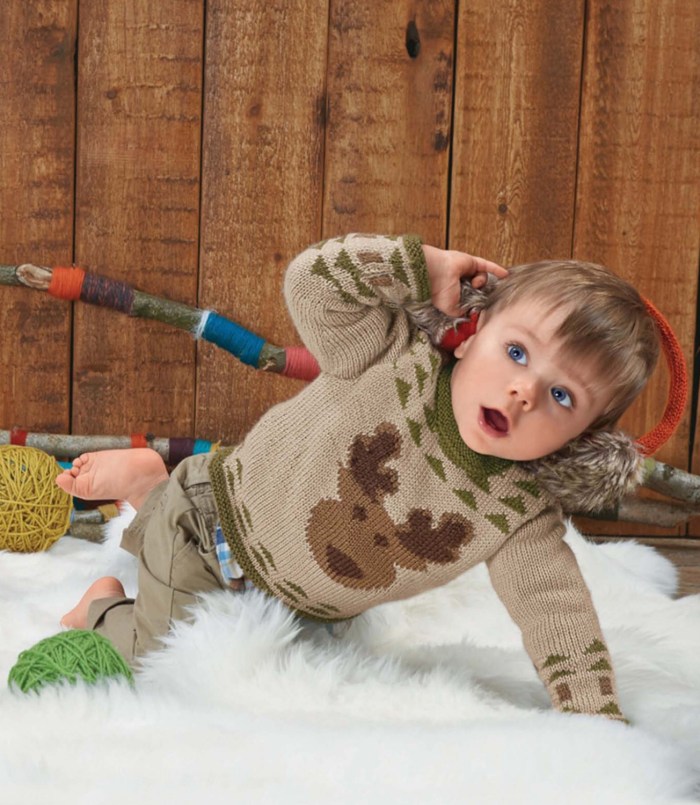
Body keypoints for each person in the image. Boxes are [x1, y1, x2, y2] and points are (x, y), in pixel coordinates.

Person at [57, 233, 661, 722]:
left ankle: (146, 488)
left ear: (584, 437)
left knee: (275, 678)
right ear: (477, 329)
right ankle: (105, 600)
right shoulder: (389, 356)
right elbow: (311, 283)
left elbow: (555, 609)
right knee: (160, 667)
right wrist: (418, 268)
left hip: (299, 603)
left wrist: (596, 720)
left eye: (561, 394)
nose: (524, 391)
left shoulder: (519, 510)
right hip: (211, 522)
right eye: (518, 352)